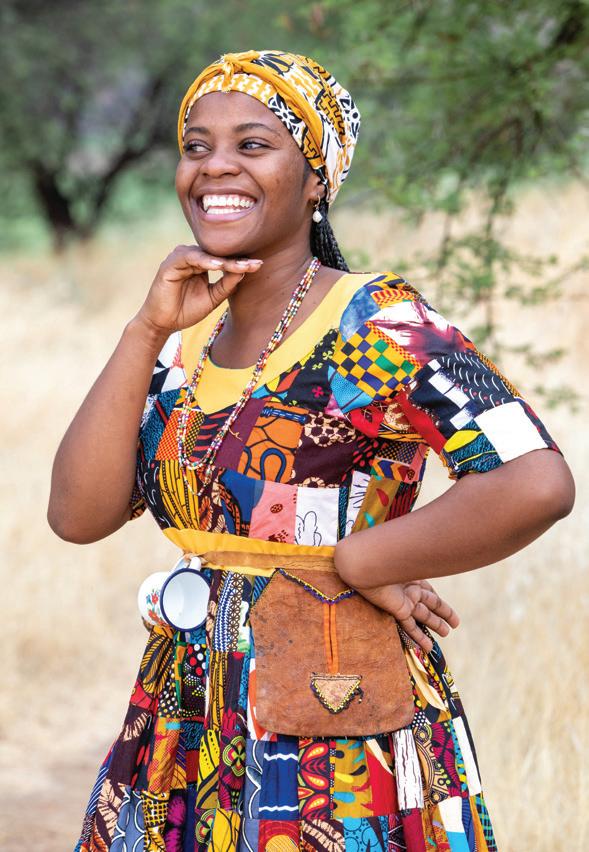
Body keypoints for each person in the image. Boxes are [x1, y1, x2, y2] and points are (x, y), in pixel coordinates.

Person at [48, 50, 574, 852]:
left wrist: (362, 560)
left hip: (334, 715)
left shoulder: (376, 323)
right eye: (196, 146)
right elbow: (78, 515)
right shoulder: (186, 341)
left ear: (316, 178)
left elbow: (533, 479)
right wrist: (145, 329)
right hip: (188, 711)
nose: (215, 167)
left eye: (253, 145)